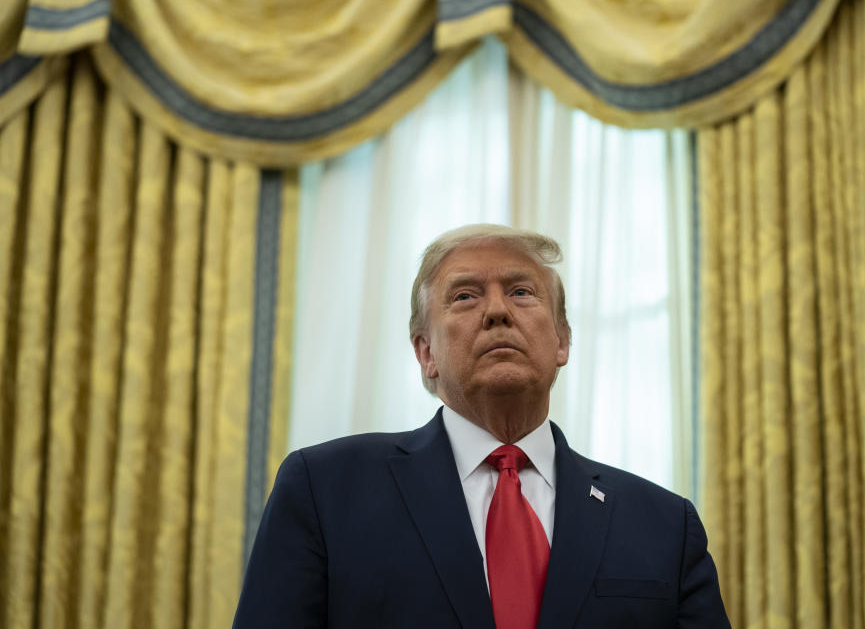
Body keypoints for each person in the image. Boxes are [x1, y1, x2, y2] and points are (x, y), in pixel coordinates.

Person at [233, 224, 729, 628]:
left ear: (562, 341)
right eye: (466, 297)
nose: (497, 311)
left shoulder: (664, 524)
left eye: (521, 291)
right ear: (425, 352)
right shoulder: (324, 489)